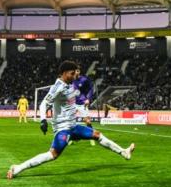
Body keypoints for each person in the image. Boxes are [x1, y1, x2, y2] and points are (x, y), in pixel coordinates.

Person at [7, 61, 135, 179]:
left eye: (76, 73)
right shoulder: (58, 87)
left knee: (97, 135)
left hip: (73, 126)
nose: (75, 76)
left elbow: (71, 99)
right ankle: (18, 168)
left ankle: (124, 152)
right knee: (53, 155)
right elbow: (43, 104)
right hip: (63, 129)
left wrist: (82, 98)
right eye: (72, 73)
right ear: (64, 73)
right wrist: (43, 120)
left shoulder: (70, 84)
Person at [72, 69, 95, 146]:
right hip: (72, 103)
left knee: (88, 121)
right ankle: (71, 138)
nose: (77, 72)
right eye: (75, 71)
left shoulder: (84, 80)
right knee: (69, 121)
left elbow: (91, 89)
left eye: (78, 70)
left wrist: (88, 99)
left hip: (82, 103)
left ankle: (92, 137)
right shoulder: (70, 79)